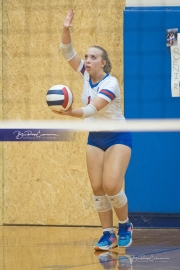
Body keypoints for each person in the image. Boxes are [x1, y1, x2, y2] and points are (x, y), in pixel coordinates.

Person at [56, 9, 133, 251]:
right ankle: (107, 234)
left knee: (111, 185)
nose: (87, 60)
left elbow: (92, 109)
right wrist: (66, 28)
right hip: (95, 139)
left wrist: (70, 112)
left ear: (103, 62)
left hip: (117, 137)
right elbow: (67, 52)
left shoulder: (111, 83)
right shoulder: (86, 76)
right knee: (98, 189)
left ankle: (125, 225)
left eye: (92, 57)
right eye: (86, 57)